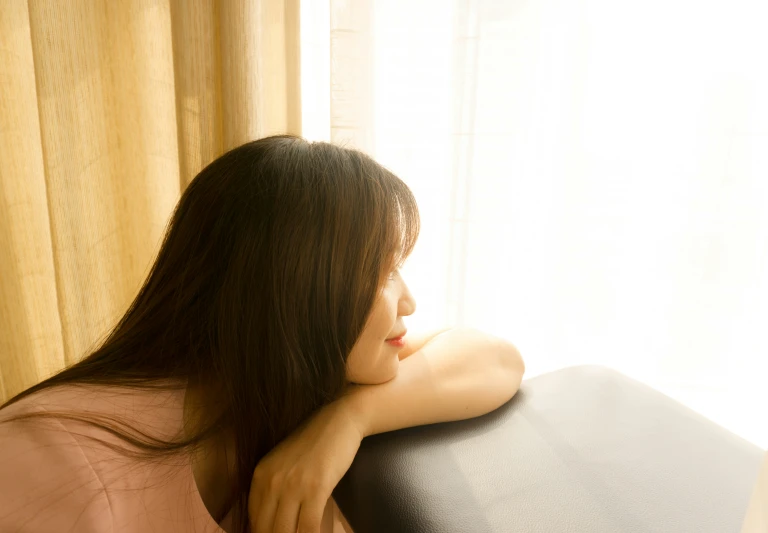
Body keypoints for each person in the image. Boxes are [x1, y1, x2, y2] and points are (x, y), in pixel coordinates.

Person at [0, 135, 525, 533]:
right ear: (296, 285)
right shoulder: (54, 461)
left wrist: (348, 420)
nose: (408, 301)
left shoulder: (313, 382)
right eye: (383, 272)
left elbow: (496, 359)